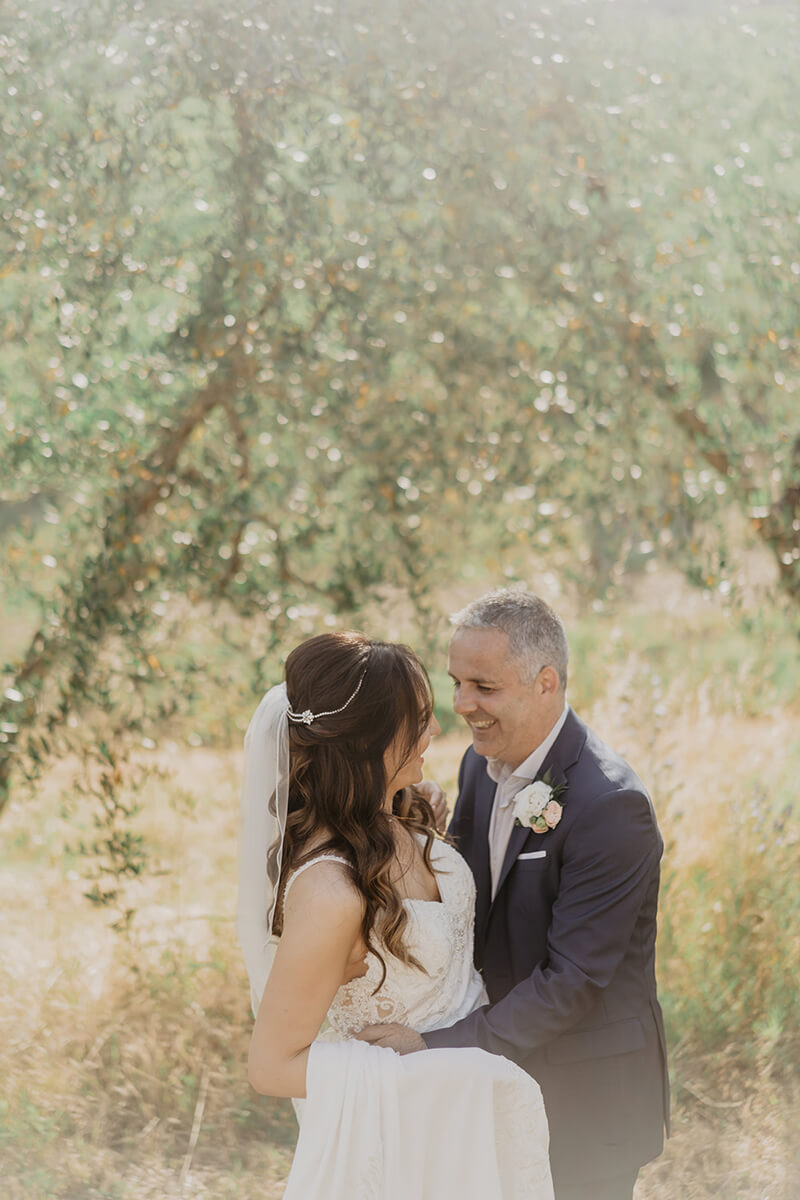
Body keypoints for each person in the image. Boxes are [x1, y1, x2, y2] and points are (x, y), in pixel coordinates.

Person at [358, 590, 669, 1200]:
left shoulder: (611, 807)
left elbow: (572, 981)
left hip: (586, 1098)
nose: (461, 705)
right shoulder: (481, 765)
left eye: (483, 686)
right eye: (456, 683)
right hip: (494, 1079)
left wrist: (432, 1046)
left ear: (545, 681)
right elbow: (482, 905)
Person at [237, 630, 554, 1199]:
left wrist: (411, 809)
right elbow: (270, 1065)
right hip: (408, 1136)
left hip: (468, 1121)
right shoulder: (332, 893)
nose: (435, 730)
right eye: (419, 719)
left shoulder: (396, 819)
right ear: (370, 740)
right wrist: (444, 1070)